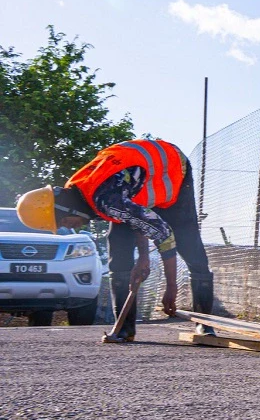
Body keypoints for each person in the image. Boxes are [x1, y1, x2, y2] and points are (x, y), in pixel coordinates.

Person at [16, 139, 215, 342]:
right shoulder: (78, 190)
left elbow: (162, 233)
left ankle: (206, 325)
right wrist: (143, 257)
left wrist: (171, 288)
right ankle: (124, 328)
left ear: (67, 209)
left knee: (189, 246)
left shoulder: (107, 200)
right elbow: (137, 215)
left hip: (172, 171)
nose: (73, 227)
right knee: (118, 253)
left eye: (66, 221)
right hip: (135, 188)